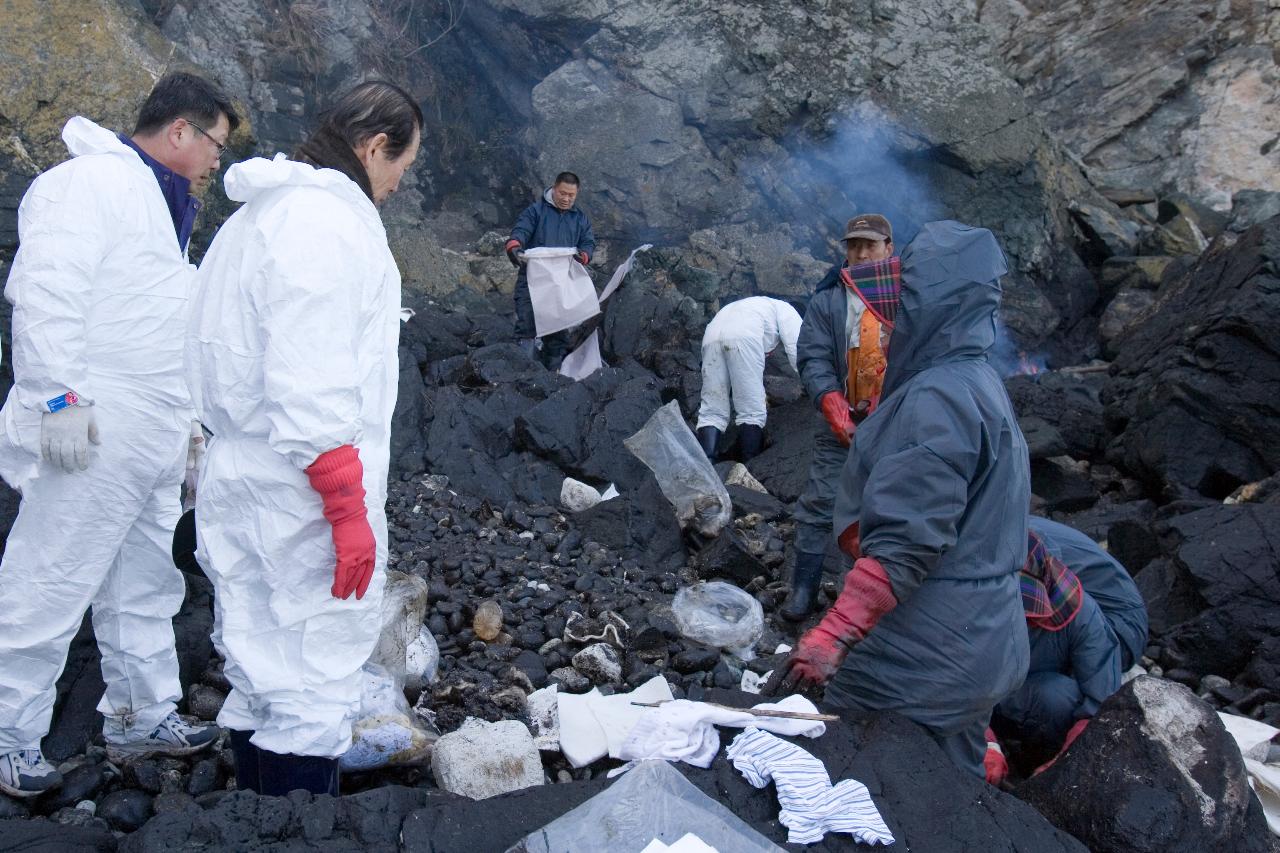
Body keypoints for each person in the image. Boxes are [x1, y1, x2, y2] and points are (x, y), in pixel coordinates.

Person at [0, 72, 237, 798]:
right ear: (180, 132)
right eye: (215, 146)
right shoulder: (89, 185)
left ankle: (139, 710)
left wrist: (191, 427)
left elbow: (160, 324)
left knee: (144, 580)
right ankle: (8, 732)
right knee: (51, 573)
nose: (216, 163)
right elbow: (46, 292)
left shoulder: (167, 208)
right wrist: (59, 400)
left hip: (154, 428)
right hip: (95, 419)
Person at [187, 81, 421, 796]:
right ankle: (292, 827)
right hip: (301, 490)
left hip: (241, 471)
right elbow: (309, 376)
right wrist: (346, 509)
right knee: (315, 672)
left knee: (259, 661)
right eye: (399, 166)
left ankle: (248, 820)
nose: (395, 184)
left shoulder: (258, 217)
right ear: (374, 146)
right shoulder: (324, 224)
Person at [765, 221, 1032, 781]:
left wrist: (833, 634)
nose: (883, 326)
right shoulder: (977, 379)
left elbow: (908, 543)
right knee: (951, 788)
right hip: (989, 637)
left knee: (839, 765)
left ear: (926, 312)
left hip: (926, 649)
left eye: (897, 309)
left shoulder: (935, 400)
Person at [781, 213, 894, 621]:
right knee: (820, 501)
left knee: (882, 507)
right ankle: (803, 590)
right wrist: (829, 398)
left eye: (870, 245)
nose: (861, 253)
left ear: (888, 249)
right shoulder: (828, 297)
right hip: (841, 423)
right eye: (854, 246)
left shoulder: (906, 299)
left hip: (895, 424)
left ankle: (860, 596)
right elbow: (810, 354)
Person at [988, 517, 1146, 772]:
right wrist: (986, 742)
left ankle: (1034, 755)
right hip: (985, 687)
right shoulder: (973, 582)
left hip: (1123, 619)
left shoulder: (1078, 607)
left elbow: (1101, 701)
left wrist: (1066, 761)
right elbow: (955, 672)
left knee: (1060, 697)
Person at [695, 296, 802, 462]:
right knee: (751, 409)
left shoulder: (760, 304)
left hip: (712, 334)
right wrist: (812, 383)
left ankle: (707, 464)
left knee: (712, 408)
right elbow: (797, 349)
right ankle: (750, 466)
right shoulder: (789, 310)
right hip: (744, 334)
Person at [504, 172, 596, 363]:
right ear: (554, 189)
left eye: (571, 195)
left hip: (562, 283)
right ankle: (521, 373)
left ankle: (551, 377)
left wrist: (584, 255)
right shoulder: (536, 211)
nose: (566, 198)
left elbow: (588, 242)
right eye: (563, 193)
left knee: (558, 331)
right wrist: (514, 245)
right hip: (532, 280)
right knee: (527, 326)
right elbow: (521, 230)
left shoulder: (580, 219)